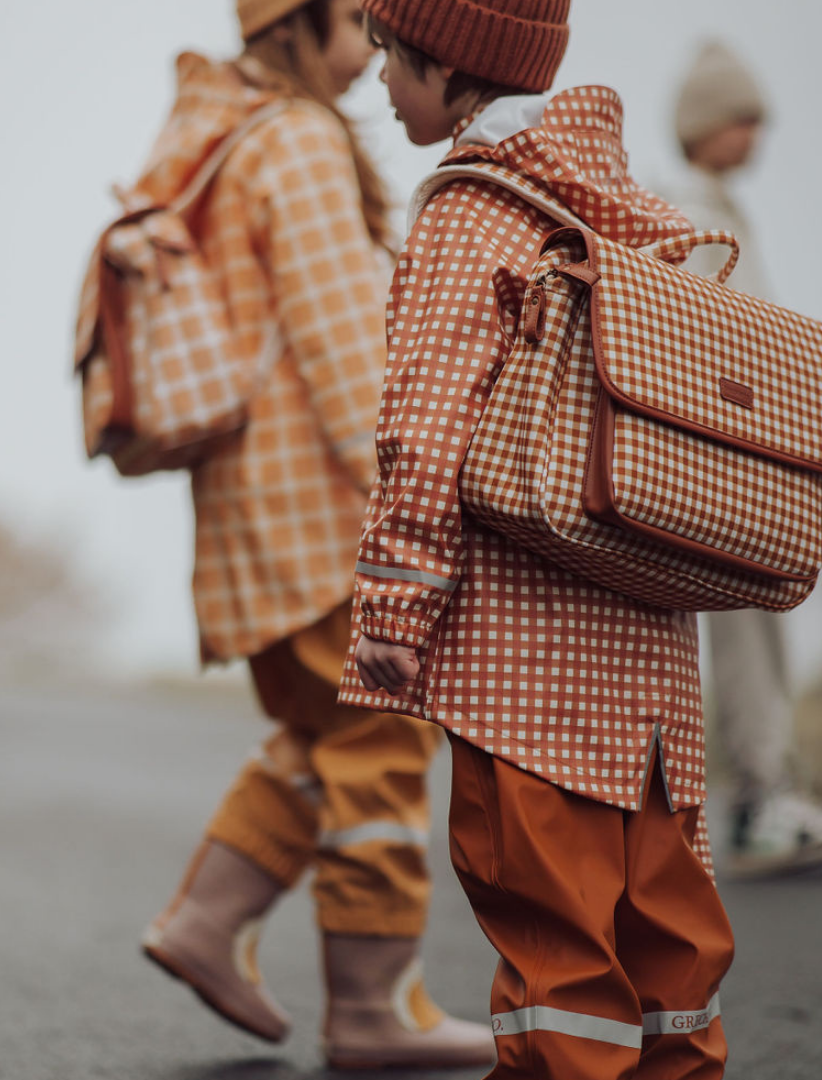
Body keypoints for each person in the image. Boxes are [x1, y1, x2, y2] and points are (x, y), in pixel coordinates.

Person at [343, 2, 736, 1077]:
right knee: (671, 956)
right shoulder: (634, 209)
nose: (378, 80)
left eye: (388, 53)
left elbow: (422, 434)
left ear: (449, 58)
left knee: (556, 964)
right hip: (656, 682)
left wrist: (390, 622)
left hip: (523, 674)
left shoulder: (475, 213)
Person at [129, 0, 494, 1069]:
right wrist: (417, 493)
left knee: (324, 733)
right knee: (383, 738)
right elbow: (348, 349)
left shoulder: (211, 129)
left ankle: (203, 922)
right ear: (313, 19)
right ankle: (376, 1007)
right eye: (366, 22)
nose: (381, 39)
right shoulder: (293, 139)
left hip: (251, 526)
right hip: (321, 517)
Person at [658, 39, 822, 880]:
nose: (756, 136)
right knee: (742, 623)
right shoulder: (685, 206)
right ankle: (757, 800)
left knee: (753, 618)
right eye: (741, 120)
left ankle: (763, 794)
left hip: (743, 449)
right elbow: (714, 343)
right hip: (723, 454)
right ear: (702, 127)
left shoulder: (721, 204)